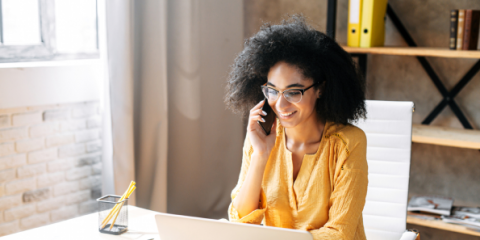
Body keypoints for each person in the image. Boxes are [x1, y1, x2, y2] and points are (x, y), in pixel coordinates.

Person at [224, 15, 368, 240]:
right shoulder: (261, 136)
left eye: (293, 92)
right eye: (272, 90)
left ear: (320, 89)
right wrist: (261, 155)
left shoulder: (348, 143)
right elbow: (240, 220)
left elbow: (339, 234)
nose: (280, 104)